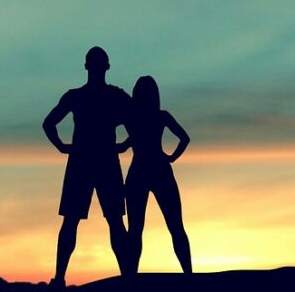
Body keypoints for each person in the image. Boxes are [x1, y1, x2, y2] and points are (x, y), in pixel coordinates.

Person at [42, 46, 133, 287]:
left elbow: (49, 123)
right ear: (106, 67)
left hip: (85, 162)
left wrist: (62, 146)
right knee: (110, 222)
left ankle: (60, 278)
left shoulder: (80, 96)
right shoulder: (112, 96)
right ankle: (127, 278)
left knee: (85, 221)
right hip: (99, 162)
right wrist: (125, 144)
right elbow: (138, 120)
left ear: (87, 66)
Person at [123, 75, 193, 274]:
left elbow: (133, 140)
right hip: (159, 169)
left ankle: (131, 277)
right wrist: (171, 157)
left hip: (140, 171)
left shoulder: (133, 118)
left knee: (136, 230)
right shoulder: (161, 116)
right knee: (175, 226)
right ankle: (189, 274)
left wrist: (172, 158)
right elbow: (184, 138)